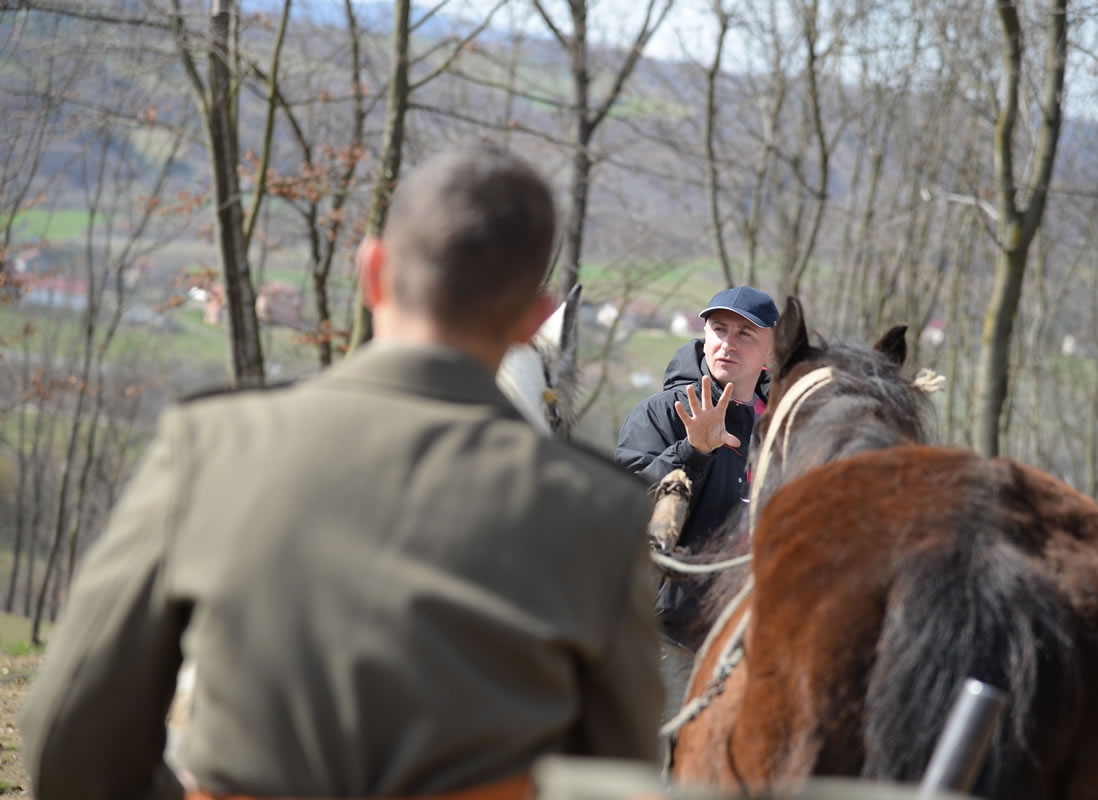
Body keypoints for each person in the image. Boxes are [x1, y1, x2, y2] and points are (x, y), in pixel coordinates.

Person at [20, 145, 664, 800]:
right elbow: (620, 779)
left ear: (372, 270)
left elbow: (67, 737)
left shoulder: (211, 448)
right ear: (534, 318)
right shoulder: (598, 511)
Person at [615, 286, 778, 653]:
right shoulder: (661, 414)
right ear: (705, 335)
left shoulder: (783, 427)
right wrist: (693, 452)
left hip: (759, 635)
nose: (728, 344)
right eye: (719, 329)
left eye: (745, 333)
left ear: (771, 350)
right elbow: (625, 510)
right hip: (670, 635)